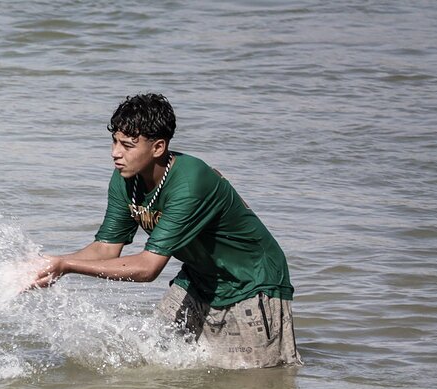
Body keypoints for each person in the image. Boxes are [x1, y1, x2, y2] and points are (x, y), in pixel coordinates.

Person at [31, 93, 300, 369]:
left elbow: (149, 268)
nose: (115, 153)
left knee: (255, 384)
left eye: (127, 145)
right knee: (154, 362)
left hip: (252, 282)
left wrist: (66, 266)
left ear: (158, 147)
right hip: (199, 278)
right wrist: (48, 265)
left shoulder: (190, 181)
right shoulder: (126, 179)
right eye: (114, 142)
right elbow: (105, 248)